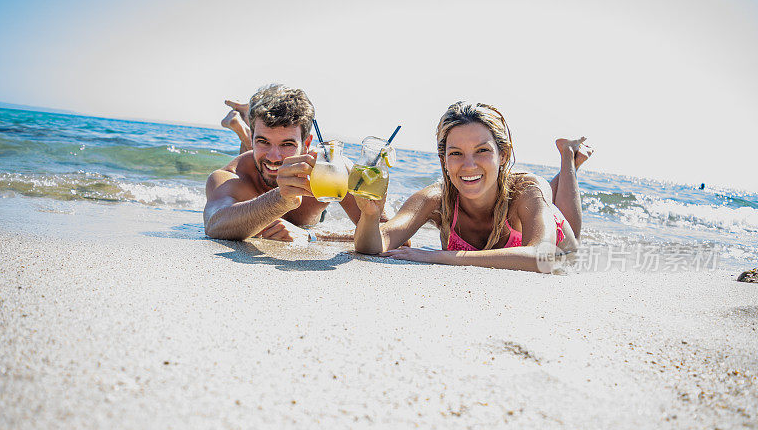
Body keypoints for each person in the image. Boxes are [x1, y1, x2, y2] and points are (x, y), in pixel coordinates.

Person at [352, 102, 593, 273]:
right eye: (456, 153)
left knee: (562, 222)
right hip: (519, 204)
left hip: (558, 237)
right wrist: (370, 216)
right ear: (443, 159)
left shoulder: (527, 189)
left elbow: (544, 256)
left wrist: (436, 257)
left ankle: (568, 157)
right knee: (531, 195)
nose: (468, 165)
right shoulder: (435, 198)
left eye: (482, 151)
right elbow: (376, 244)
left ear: (504, 154)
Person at [205, 84, 365, 242]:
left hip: (317, 216)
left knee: (266, 160)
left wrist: (311, 235)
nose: (274, 156)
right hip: (251, 167)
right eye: (262, 140)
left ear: (307, 144)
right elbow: (214, 224)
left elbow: (381, 227)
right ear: (253, 137)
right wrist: (280, 199)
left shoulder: (331, 169)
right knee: (263, 159)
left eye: (287, 144)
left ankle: (247, 121)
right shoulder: (231, 176)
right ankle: (243, 128)